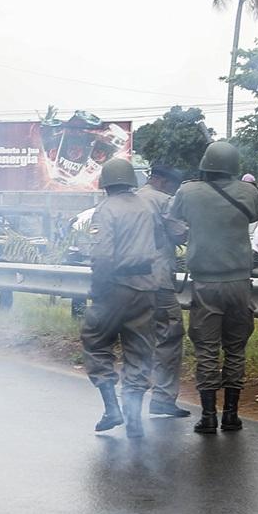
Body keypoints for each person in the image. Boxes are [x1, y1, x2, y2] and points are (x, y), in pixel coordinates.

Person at [172, 141, 258, 434]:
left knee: (207, 349)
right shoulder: (248, 191)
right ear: (234, 166)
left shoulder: (187, 191)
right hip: (239, 282)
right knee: (235, 348)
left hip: (205, 283)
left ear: (205, 165)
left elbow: (175, 222)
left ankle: (209, 416)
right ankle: (232, 415)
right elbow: (255, 216)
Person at [82, 159, 164, 439]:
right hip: (146, 288)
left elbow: (102, 255)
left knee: (95, 340)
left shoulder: (105, 209)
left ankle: (111, 408)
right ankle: (134, 420)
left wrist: (98, 288)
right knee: (139, 351)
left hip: (115, 287)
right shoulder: (145, 205)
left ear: (105, 183)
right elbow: (161, 241)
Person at [135, 165, 191, 419]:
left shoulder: (129, 198)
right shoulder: (164, 201)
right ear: (162, 181)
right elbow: (179, 234)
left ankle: (131, 399)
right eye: (172, 184)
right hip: (156, 280)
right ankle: (162, 397)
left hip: (126, 283)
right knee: (170, 334)